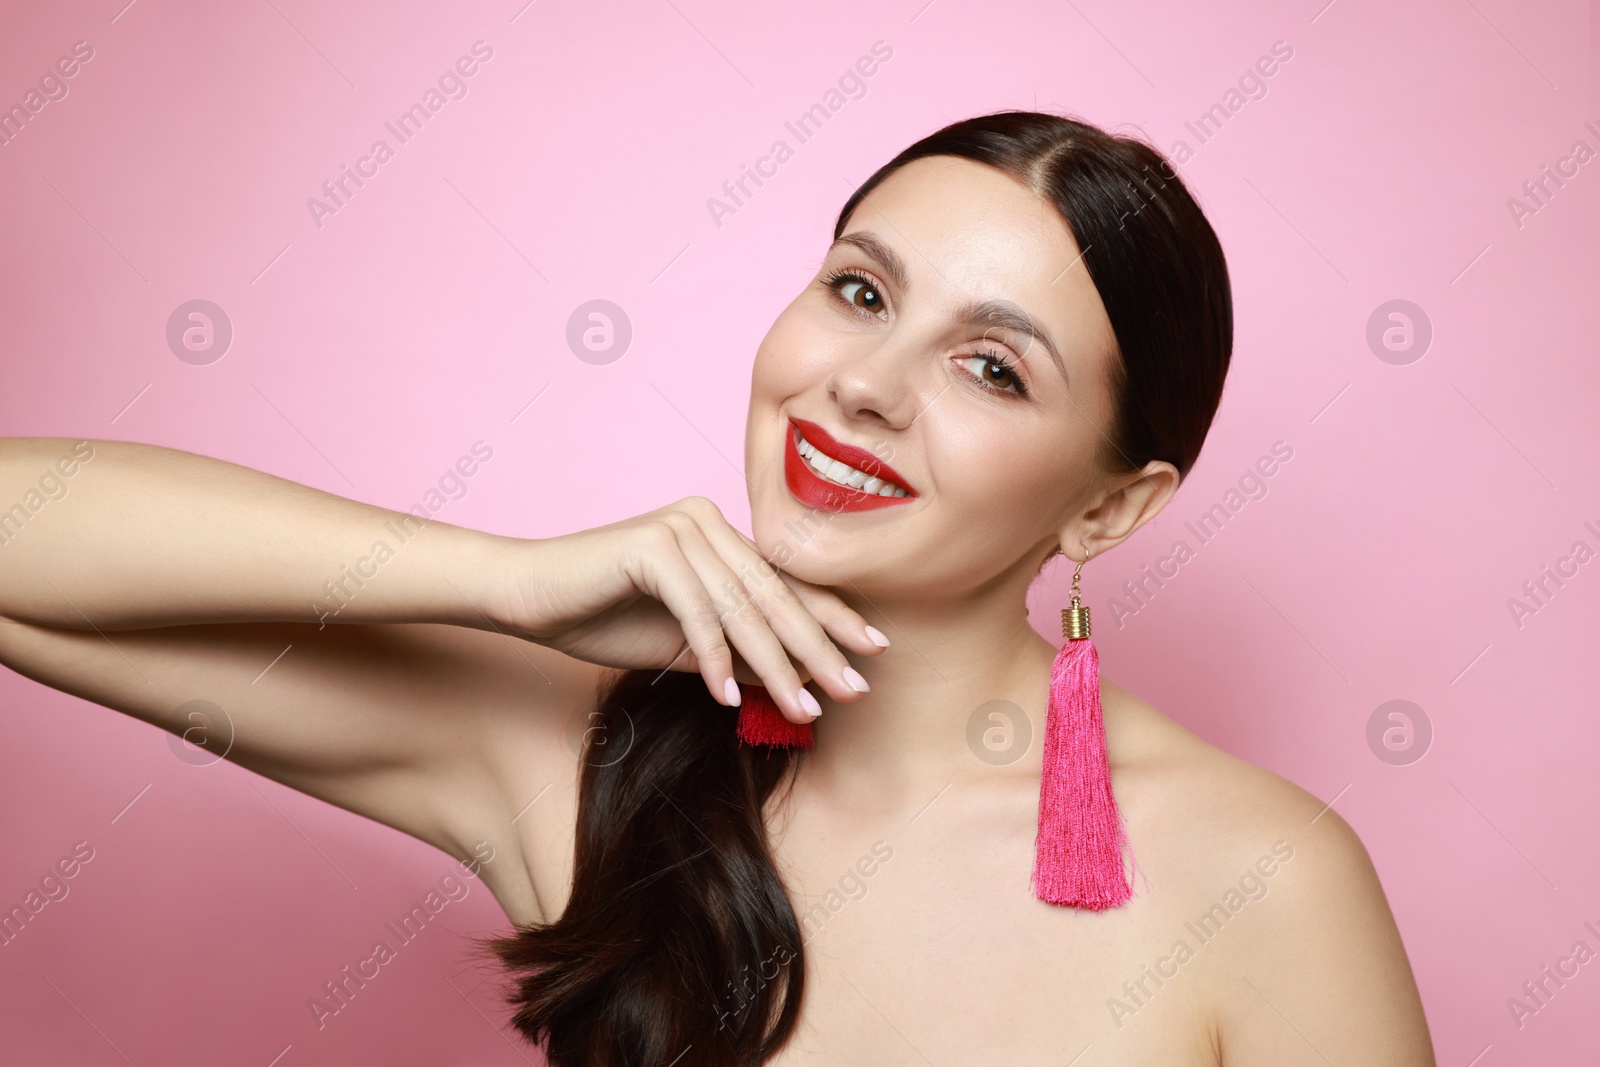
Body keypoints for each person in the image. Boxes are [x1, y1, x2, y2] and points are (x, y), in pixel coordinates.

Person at [0, 111, 1435, 1065]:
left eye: (989, 368)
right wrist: (504, 586)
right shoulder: (586, 759)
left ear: (1112, 506)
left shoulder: (1266, 882)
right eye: (861, 293)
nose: (862, 386)